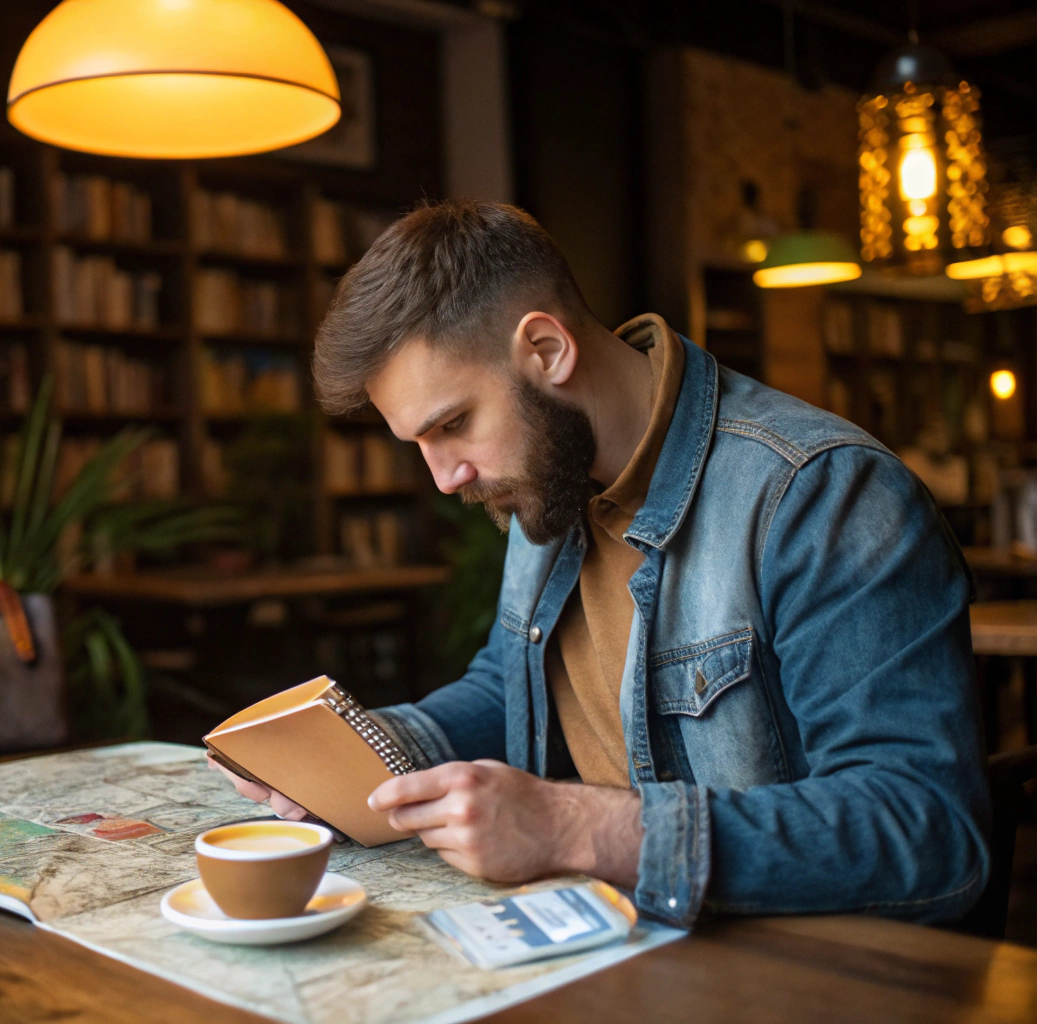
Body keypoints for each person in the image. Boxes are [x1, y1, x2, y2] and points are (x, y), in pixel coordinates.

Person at [212, 199, 989, 927]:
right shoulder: (547, 472)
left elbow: (925, 829)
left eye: (453, 424)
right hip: (599, 930)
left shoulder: (820, 494)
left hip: (780, 957)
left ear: (546, 350)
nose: (444, 477)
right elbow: (511, 688)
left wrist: (577, 827)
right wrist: (366, 754)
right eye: (418, 441)